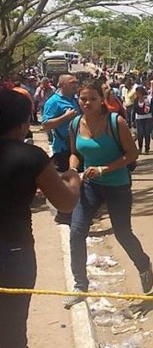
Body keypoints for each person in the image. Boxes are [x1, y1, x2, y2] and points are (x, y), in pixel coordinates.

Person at [0, 87, 81, 347]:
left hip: (13, 252)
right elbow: (66, 203)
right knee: (12, 328)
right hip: (13, 253)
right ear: (24, 124)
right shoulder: (31, 157)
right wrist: (73, 178)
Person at [66, 81, 153, 307]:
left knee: (123, 233)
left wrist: (105, 168)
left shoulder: (116, 122)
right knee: (76, 232)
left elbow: (132, 154)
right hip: (90, 186)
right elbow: (75, 153)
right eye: (83, 99)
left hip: (117, 185)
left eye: (92, 99)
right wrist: (74, 169)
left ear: (101, 99)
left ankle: (143, 264)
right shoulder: (75, 123)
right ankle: (80, 285)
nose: (87, 103)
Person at [41, 73, 81, 224]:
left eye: (76, 82)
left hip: (77, 147)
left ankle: (77, 213)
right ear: (62, 84)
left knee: (78, 179)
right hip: (63, 149)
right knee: (67, 182)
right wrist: (65, 117)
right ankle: (64, 215)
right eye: (72, 82)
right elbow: (45, 124)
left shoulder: (75, 100)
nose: (76, 84)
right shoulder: (54, 102)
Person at [132, 87, 153, 154]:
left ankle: (147, 148)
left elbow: (151, 108)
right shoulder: (136, 100)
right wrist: (132, 120)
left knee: (147, 133)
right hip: (139, 118)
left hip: (148, 117)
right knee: (140, 134)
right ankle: (140, 148)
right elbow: (134, 110)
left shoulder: (148, 99)